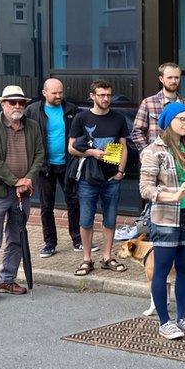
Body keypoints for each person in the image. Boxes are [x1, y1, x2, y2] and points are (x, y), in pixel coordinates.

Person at [138, 102, 185, 340]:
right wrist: (172, 195)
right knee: (161, 269)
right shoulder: (154, 151)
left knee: (184, 269)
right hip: (166, 218)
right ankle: (164, 321)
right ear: (168, 121)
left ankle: (183, 317)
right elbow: (145, 189)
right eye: (181, 119)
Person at [0, 86, 45, 303]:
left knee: (16, 238)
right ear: (2, 103)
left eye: (21, 102)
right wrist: (15, 181)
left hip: (22, 193)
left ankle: (7, 279)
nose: (17, 106)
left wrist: (27, 180)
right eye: (12, 102)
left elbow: (40, 155)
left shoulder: (32, 126)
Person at [69, 80, 130, 276]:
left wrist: (121, 171)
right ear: (92, 96)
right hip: (88, 178)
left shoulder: (118, 119)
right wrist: (91, 152)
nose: (106, 99)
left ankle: (106, 257)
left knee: (110, 219)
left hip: (112, 178)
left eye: (108, 95)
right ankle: (87, 259)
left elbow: (123, 147)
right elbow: (71, 148)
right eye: (101, 95)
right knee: (86, 220)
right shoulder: (81, 118)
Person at [24, 78, 82, 258]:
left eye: (60, 92)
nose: (58, 96)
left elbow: (80, 135)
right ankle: (50, 243)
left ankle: (77, 239)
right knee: (46, 206)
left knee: (73, 202)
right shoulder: (33, 110)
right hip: (45, 166)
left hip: (68, 164)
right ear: (44, 93)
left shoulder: (71, 110)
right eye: (54, 93)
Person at [131, 62, 185, 151]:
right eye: (170, 77)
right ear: (161, 79)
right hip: (156, 157)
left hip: (182, 157)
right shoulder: (148, 103)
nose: (174, 81)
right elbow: (137, 132)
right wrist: (148, 152)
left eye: (176, 77)